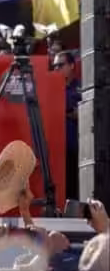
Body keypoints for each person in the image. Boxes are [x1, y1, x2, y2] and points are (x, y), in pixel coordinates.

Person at [53, 50, 81, 199]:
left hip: (76, 147)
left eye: (60, 65)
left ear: (71, 65)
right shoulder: (51, 88)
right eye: (54, 66)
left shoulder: (82, 87)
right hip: (56, 149)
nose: (56, 69)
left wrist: (68, 112)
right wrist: (69, 112)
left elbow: (83, 113)